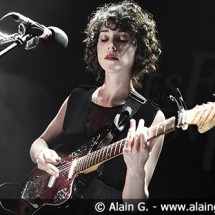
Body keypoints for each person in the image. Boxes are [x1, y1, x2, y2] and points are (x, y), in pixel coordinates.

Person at [28, 0, 165, 214]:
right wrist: (41, 154)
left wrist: (136, 168)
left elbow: (134, 206)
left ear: (139, 49)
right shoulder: (78, 97)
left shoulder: (151, 118)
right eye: (104, 38)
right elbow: (39, 141)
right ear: (96, 46)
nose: (112, 45)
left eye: (122, 39)